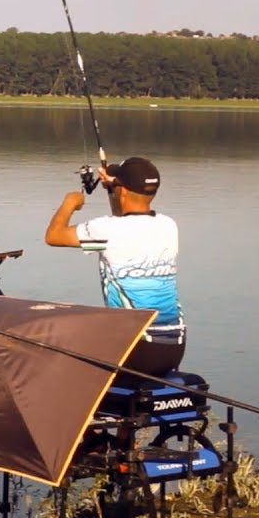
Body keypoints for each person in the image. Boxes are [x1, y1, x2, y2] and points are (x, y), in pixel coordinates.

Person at [44, 156, 186, 377]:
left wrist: (69, 204)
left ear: (123, 192)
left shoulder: (107, 230)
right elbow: (128, 219)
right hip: (174, 346)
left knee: (60, 337)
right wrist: (115, 188)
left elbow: (54, 236)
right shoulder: (168, 226)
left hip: (137, 347)